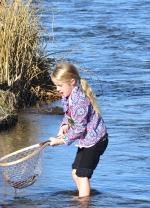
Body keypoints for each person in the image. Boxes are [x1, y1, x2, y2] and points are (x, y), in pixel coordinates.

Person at [48, 62, 108, 198]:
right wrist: (65, 125)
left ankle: (84, 202)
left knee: (82, 175)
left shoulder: (80, 101)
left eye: (60, 85)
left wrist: (60, 141)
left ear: (72, 82)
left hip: (96, 141)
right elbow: (68, 114)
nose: (57, 89)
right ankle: (83, 197)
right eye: (56, 85)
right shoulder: (67, 96)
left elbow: (79, 129)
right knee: (75, 172)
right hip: (87, 141)